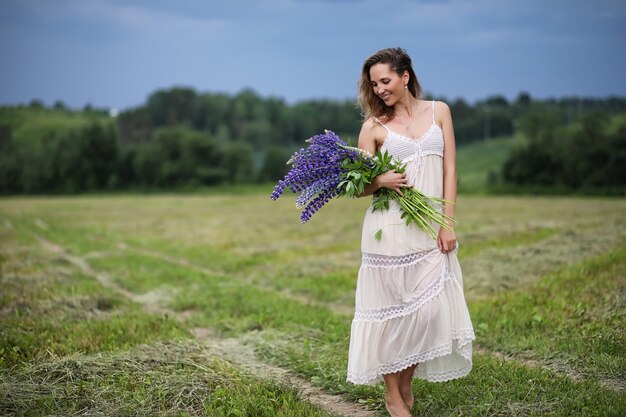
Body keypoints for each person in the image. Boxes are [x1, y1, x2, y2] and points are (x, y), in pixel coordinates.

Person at [346, 47, 475, 417]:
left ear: (405, 76)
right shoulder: (373, 127)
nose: (380, 88)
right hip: (388, 230)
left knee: (429, 314)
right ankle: (392, 394)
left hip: (431, 230)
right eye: (374, 84)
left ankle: (404, 381)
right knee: (390, 314)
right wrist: (380, 180)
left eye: (385, 80)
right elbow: (357, 187)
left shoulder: (440, 111)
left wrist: (447, 223)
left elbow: (450, 170)